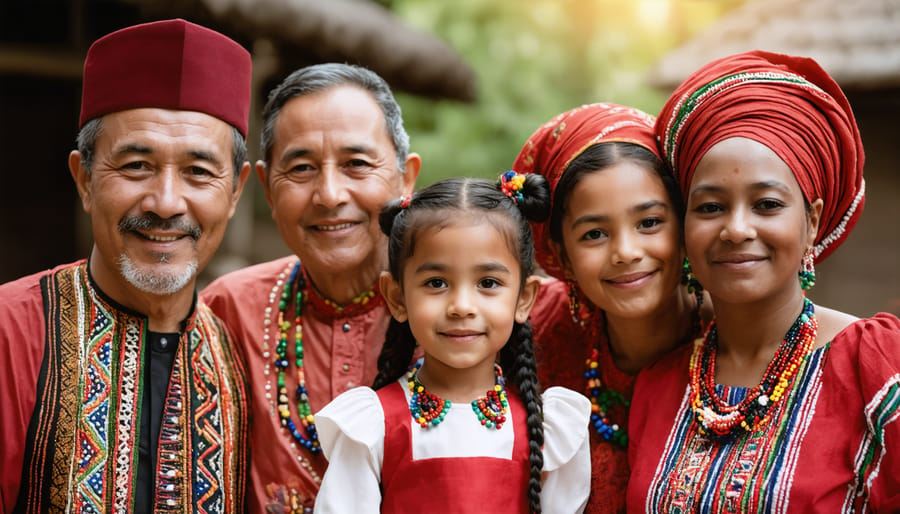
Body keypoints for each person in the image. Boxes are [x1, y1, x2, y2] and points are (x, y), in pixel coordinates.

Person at [627, 50, 900, 511]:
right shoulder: (660, 383)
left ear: (811, 222)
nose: (736, 229)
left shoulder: (874, 367)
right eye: (710, 207)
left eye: (767, 204)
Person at [0, 19, 252, 513]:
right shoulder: (9, 333)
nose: (165, 202)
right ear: (85, 180)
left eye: (199, 172)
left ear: (236, 191)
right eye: (137, 165)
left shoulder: (240, 364)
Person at [201, 63, 421, 511]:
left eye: (357, 164)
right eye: (301, 168)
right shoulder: (226, 312)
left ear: (406, 178)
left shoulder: (470, 308)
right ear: (265, 186)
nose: (329, 194)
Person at [312, 173, 591, 513]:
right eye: (436, 283)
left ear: (524, 299)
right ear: (397, 298)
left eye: (488, 282)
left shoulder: (548, 429)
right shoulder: (373, 426)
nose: (461, 306)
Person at [511, 103, 708, 513]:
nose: (626, 252)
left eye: (650, 223)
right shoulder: (534, 327)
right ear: (561, 256)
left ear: (684, 228)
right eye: (595, 234)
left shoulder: (739, 336)